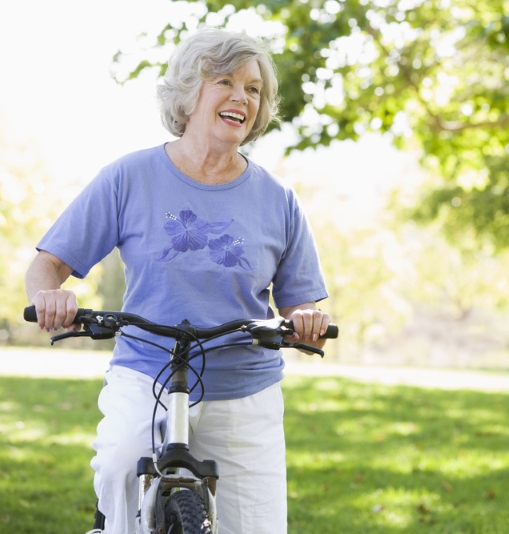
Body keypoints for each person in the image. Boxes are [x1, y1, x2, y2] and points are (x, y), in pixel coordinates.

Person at [24, 29, 330, 534]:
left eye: (254, 89)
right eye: (225, 81)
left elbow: (301, 305)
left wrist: (307, 322)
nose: (242, 97)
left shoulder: (278, 200)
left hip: (244, 386)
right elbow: (46, 263)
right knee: (123, 466)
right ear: (188, 92)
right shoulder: (129, 177)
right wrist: (48, 295)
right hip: (146, 372)